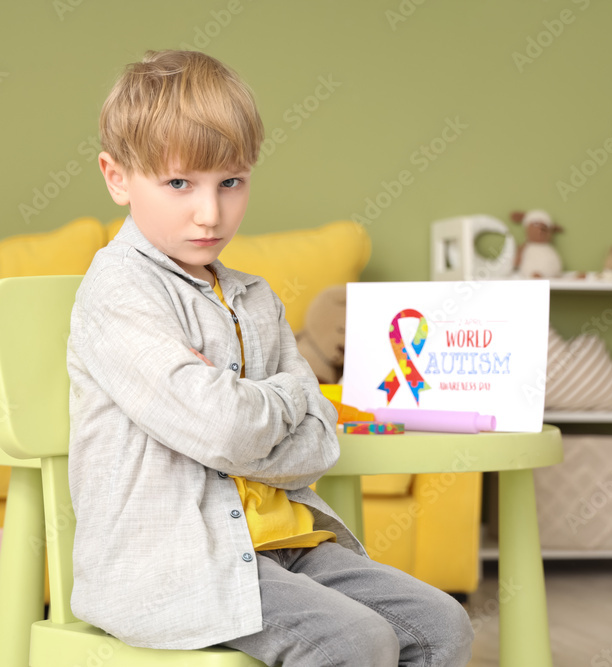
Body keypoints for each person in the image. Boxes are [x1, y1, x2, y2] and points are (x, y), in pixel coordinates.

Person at [66, 49, 473, 666]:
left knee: (442, 626)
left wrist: (255, 409)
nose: (211, 212)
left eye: (230, 182)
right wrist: (284, 401)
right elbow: (224, 428)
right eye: (179, 183)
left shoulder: (255, 298)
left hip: (287, 543)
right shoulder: (119, 291)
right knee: (355, 640)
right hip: (178, 562)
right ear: (117, 176)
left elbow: (320, 439)